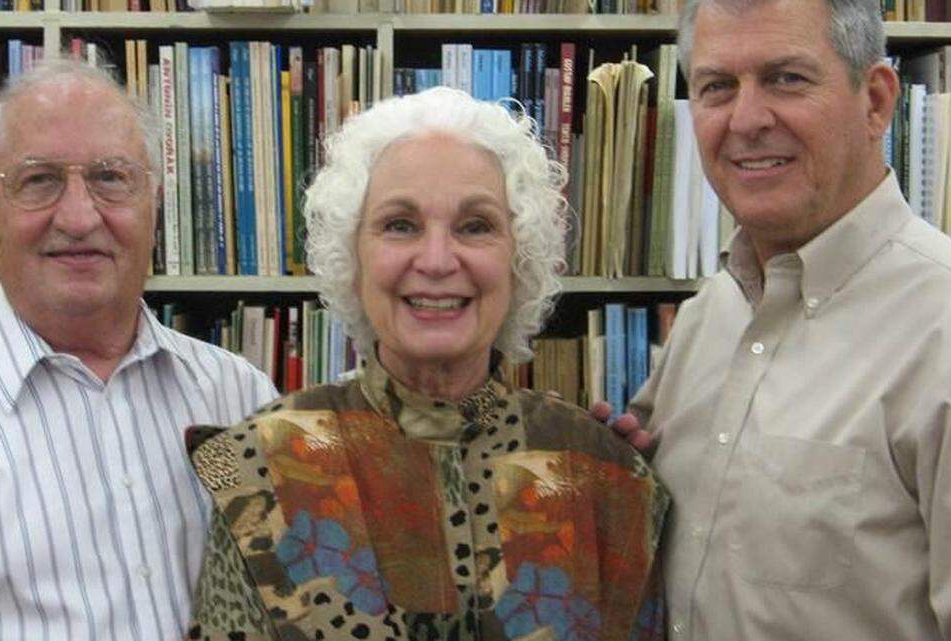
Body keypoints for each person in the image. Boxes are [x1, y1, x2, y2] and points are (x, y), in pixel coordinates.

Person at [182, 86, 670, 640]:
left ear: (520, 258)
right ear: (354, 258)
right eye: (400, 225)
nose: (437, 261)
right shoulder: (255, 465)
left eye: (476, 225)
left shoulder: (607, 475)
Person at [612, 0, 951, 639]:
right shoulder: (706, 317)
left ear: (876, 101)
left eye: (786, 79)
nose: (745, 120)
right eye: (717, 87)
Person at [0, 58, 278, 640]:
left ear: (154, 202)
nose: (80, 217)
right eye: (39, 180)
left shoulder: (241, 394)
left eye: (111, 177)